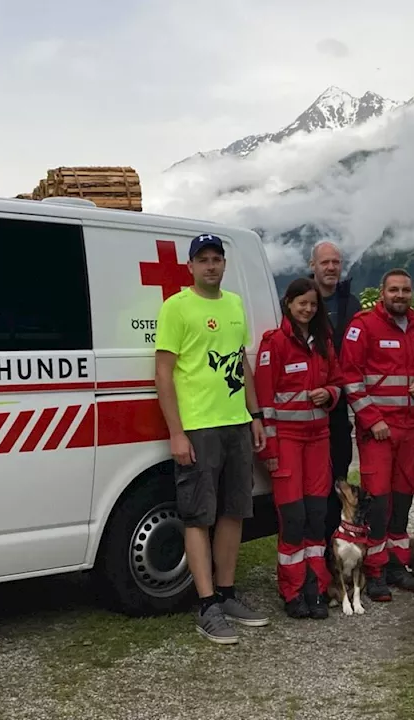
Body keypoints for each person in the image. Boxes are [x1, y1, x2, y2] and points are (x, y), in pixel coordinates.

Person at [155, 233, 271, 645]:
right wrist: (176, 432)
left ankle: (227, 594)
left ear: (224, 264)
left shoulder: (235, 304)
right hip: (199, 427)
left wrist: (254, 415)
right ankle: (206, 606)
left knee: (234, 512)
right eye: (202, 259)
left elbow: (241, 363)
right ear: (190, 266)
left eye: (216, 259)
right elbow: (164, 372)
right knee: (198, 515)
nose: (210, 266)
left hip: (237, 423)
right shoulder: (176, 308)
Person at [340, 268, 414, 600]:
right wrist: (372, 419)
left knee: (402, 500)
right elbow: (350, 377)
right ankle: (373, 573)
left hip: (411, 430)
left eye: (405, 290)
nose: (400, 295)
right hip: (379, 432)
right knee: (377, 501)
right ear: (382, 293)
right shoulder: (363, 327)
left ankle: (397, 566)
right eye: (394, 290)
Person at [254, 277, 341, 620]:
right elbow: (264, 403)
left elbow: (337, 381)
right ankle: (291, 591)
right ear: (288, 303)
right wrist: (271, 453)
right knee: (293, 519)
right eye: (301, 303)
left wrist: (330, 395)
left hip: (318, 440)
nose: (307, 309)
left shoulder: (323, 342)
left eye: (313, 304)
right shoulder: (274, 344)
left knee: (317, 517)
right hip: (287, 442)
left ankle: (316, 588)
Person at [307, 241, 363, 555]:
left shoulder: (351, 305)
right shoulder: (302, 303)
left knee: (339, 475)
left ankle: (335, 547)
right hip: (310, 406)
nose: (331, 268)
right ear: (312, 265)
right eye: (325, 262)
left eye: (336, 263)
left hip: (340, 408)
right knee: (313, 481)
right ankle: (314, 550)